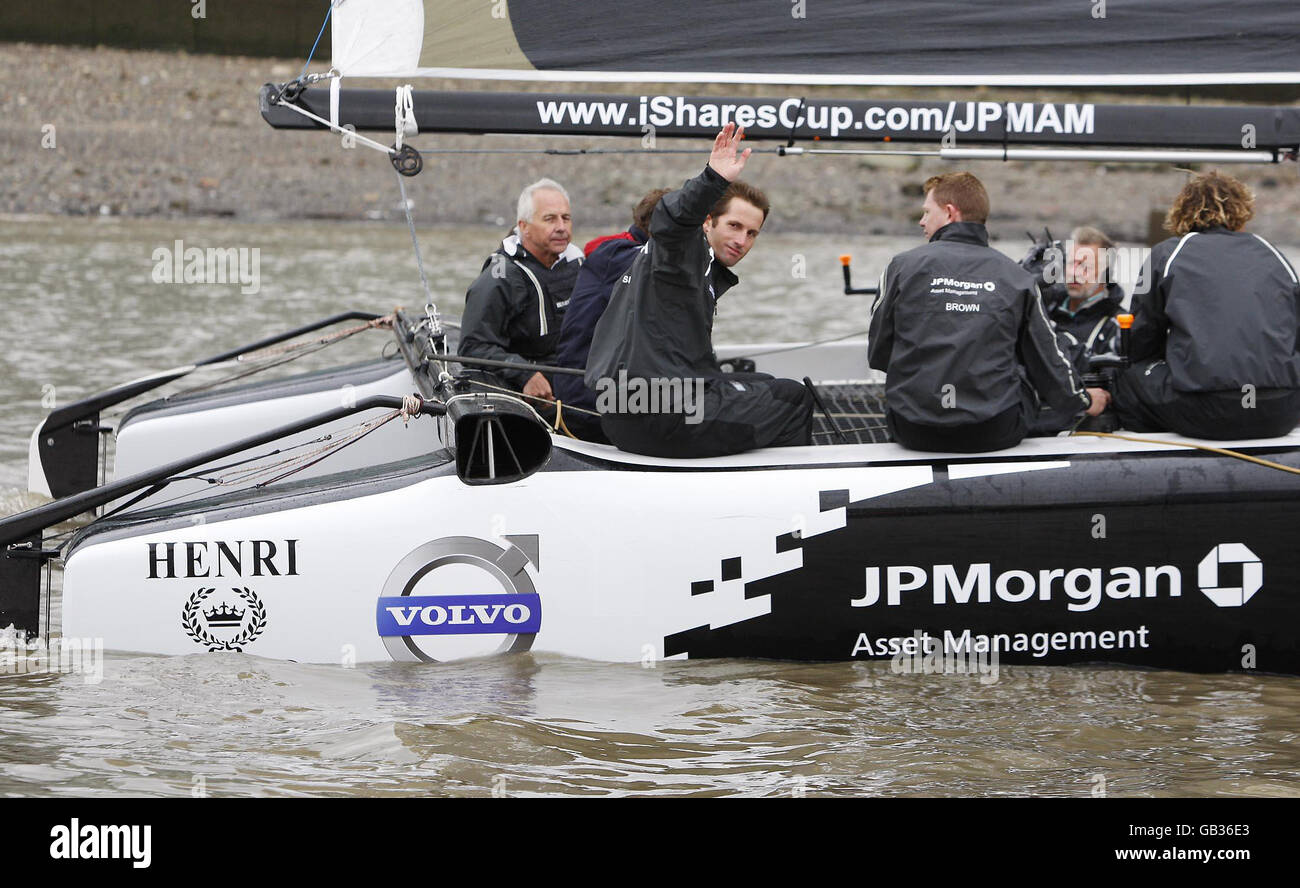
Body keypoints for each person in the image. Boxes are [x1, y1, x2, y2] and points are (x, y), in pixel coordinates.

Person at [586, 124, 813, 458]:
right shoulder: (683, 252)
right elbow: (670, 219)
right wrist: (713, 178)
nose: (741, 241)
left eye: (752, 233)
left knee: (763, 383)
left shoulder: (682, 265)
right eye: (734, 226)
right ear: (707, 222)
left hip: (624, 409)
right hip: (660, 413)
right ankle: (781, 495)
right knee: (793, 397)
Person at [868, 172, 1106, 452]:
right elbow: (1046, 364)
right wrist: (1085, 401)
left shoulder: (900, 267)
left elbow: (879, 354)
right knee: (1021, 366)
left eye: (926, 212)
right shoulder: (1017, 278)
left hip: (911, 429)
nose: (921, 221)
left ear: (948, 213)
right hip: (991, 432)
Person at [1115, 171, 1300, 439]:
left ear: (1182, 212)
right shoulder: (1273, 253)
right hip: (1283, 411)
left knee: (1128, 374)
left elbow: (1140, 340)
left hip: (1208, 415)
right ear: (1242, 210)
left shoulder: (1167, 254)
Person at [552, 188, 670, 441]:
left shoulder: (625, 250)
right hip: (585, 398)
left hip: (609, 387)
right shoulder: (620, 255)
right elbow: (659, 267)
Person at [459, 178, 584, 400]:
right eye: (550, 219)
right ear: (524, 227)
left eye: (566, 218)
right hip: (534, 392)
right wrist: (524, 374)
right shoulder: (499, 277)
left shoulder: (580, 263)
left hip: (578, 379)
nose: (561, 228)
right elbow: (473, 347)